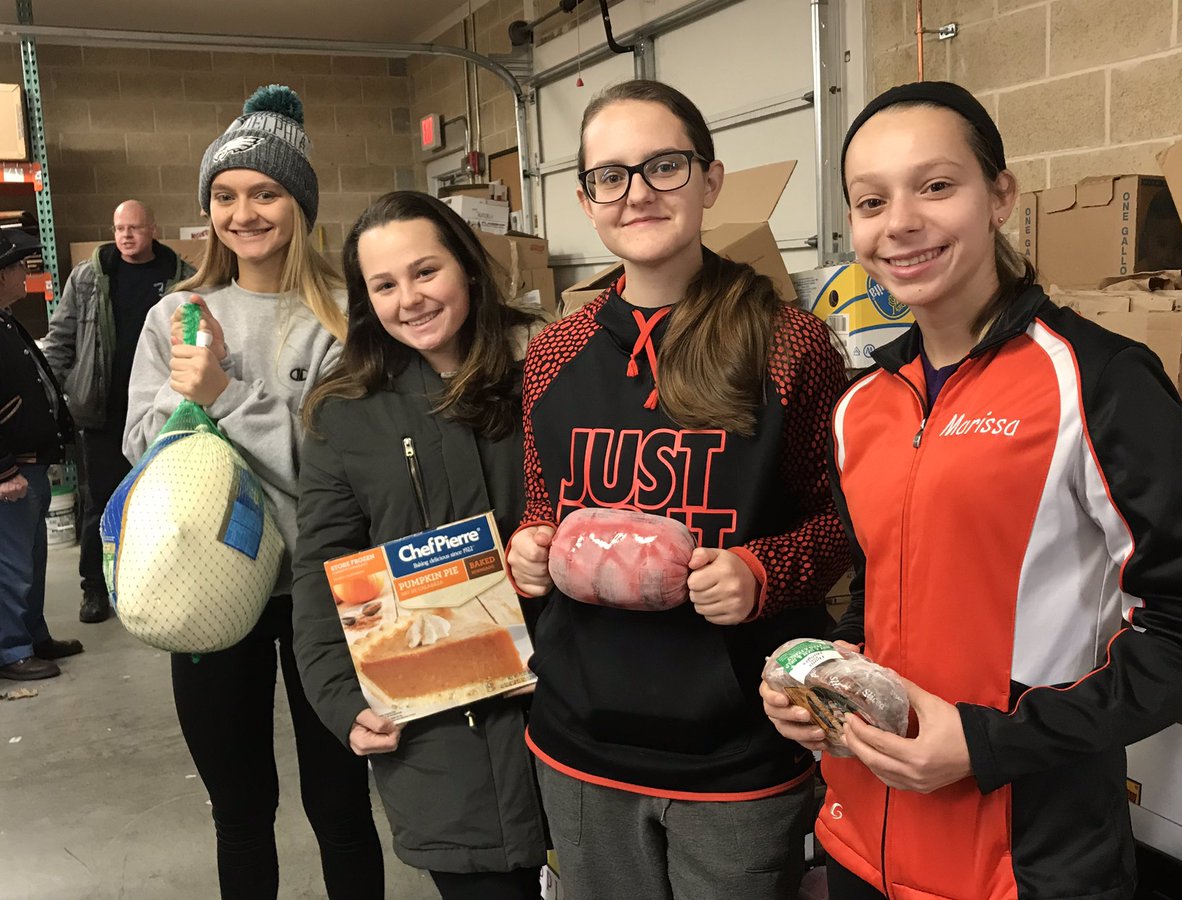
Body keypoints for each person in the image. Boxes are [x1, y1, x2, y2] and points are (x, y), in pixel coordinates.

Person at [761, 81, 1182, 899]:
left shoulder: (1097, 381)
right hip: (865, 847)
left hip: (1027, 861)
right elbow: (877, 598)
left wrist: (989, 744)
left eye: (936, 185)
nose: (900, 223)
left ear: (999, 195)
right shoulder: (862, 405)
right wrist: (827, 679)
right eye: (870, 200)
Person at [505, 79, 850, 900]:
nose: (639, 193)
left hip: (735, 746)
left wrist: (765, 572)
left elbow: (843, 524)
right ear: (587, 201)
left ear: (709, 178)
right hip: (581, 741)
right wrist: (528, 548)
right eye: (611, 176)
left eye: (664, 165)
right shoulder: (554, 354)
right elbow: (543, 504)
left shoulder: (789, 346)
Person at [123, 85, 384, 899]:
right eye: (225, 196)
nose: (245, 212)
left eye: (266, 192)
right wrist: (184, 397)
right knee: (240, 809)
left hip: (326, 592)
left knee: (340, 804)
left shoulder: (346, 317)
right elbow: (141, 450)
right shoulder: (177, 316)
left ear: (298, 203)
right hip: (207, 588)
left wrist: (224, 395)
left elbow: (340, 465)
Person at [292, 191, 548, 900]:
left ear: (466, 266)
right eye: (384, 285)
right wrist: (342, 700)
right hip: (440, 734)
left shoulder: (547, 371)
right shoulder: (344, 414)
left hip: (568, 705)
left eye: (425, 271)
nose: (409, 298)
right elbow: (321, 572)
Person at [41, 199, 194, 624]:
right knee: (100, 504)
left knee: (167, 505)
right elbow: (59, 339)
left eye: (134, 228)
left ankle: (163, 587)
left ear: (153, 229)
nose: (125, 236)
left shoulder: (180, 277)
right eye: (118, 228)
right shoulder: (89, 278)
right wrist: (61, 396)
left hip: (162, 414)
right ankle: (94, 588)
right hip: (105, 415)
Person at [0, 228, 85, 680]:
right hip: (12, 474)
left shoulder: (6, 319)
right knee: (11, 565)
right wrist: (3, 471)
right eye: (18, 267)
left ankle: (34, 636)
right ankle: (11, 651)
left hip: (31, 467)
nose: (25, 274)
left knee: (32, 561)